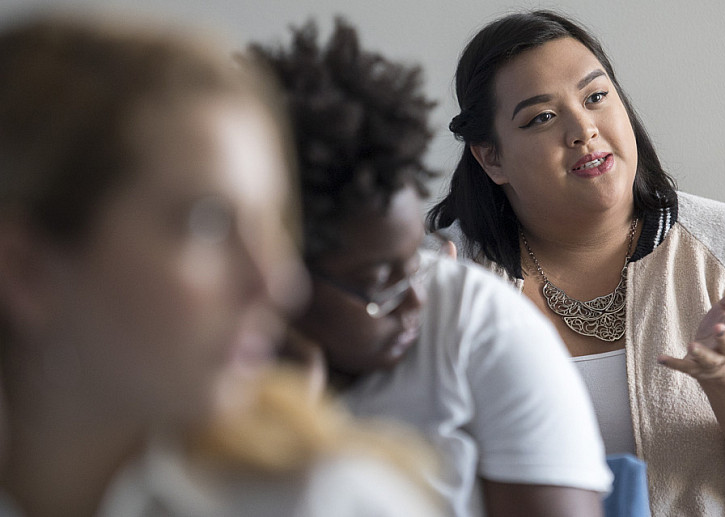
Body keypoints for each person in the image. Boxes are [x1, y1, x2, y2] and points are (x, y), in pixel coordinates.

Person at [0, 12, 440, 517]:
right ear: (27, 270)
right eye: (206, 223)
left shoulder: (326, 502)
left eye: (272, 221)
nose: (278, 285)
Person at [428, 10, 725, 516]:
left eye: (595, 97)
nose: (583, 129)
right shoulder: (441, 277)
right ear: (491, 158)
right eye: (541, 117)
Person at [249, 19, 613, 517]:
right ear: (270, 275)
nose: (415, 300)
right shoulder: (189, 367)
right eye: (379, 282)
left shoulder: (474, 320)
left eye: (414, 264)